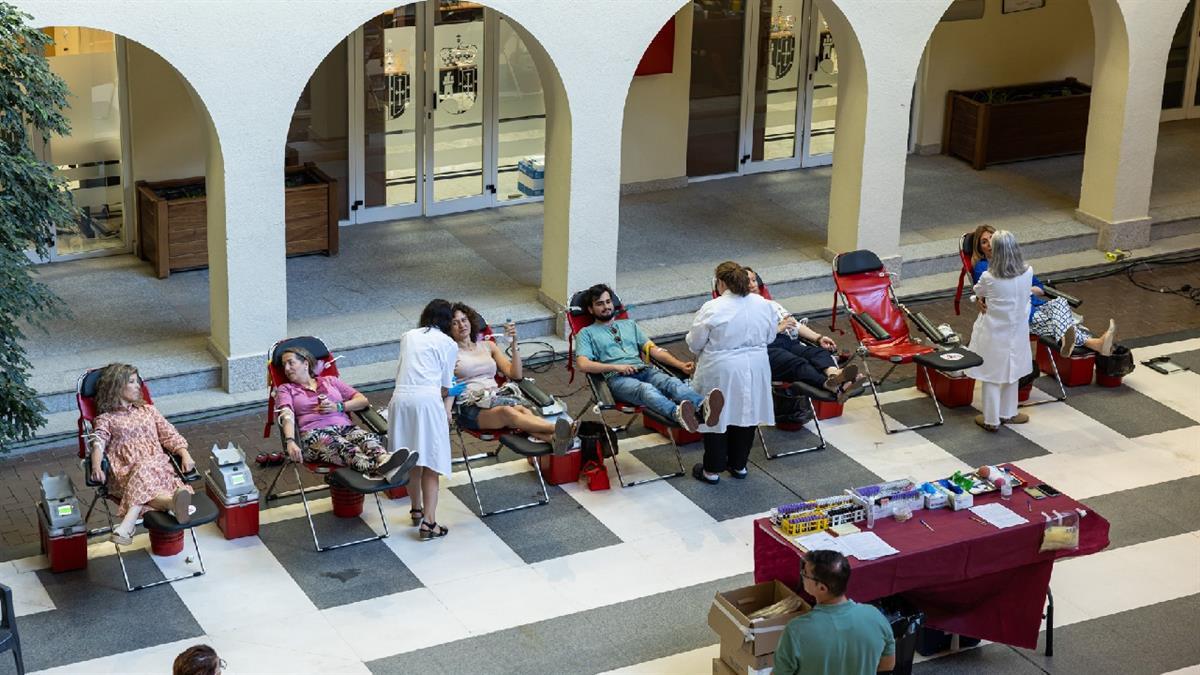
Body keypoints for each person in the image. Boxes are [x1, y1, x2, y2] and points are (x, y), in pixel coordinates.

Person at [574, 283, 724, 433]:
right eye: (599, 304)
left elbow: (653, 350)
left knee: (670, 382)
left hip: (644, 370)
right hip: (617, 378)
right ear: (590, 309)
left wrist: (680, 365)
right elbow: (583, 364)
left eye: (608, 302)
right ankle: (677, 414)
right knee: (646, 389)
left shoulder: (629, 325)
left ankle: (703, 407)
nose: (606, 306)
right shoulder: (586, 333)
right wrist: (616, 367)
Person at [85, 363, 195, 546]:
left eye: (138, 382)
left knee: (145, 466)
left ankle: (127, 527)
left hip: (158, 469)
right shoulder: (106, 419)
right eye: (132, 382)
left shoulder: (148, 411)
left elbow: (169, 434)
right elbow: (98, 443)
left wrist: (185, 454)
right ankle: (172, 503)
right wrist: (96, 466)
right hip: (124, 474)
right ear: (117, 386)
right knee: (141, 467)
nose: (139, 386)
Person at [686, 262, 775, 483]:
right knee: (747, 413)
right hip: (756, 364)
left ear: (721, 282)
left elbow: (694, 343)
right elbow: (771, 336)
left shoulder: (713, 307)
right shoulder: (763, 304)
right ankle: (739, 465)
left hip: (722, 367)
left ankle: (712, 471)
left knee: (716, 416)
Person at [969, 224, 1115, 357]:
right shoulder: (983, 268)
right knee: (1058, 323)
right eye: (984, 242)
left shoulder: (1016, 264)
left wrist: (1023, 289)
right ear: (980, 248)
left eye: (992, 238)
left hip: (1035, 305)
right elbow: (991, 292)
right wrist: (1021, 289)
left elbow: (1039, 288)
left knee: (1060, 302)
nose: (990, 244)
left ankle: (1072, 339)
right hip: (1018, 314)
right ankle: (1093, 343)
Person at [274, 346, 416, 480]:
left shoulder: (331, 381)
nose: (286, 369)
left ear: (305, 364)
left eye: (290, 363)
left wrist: (339, 407)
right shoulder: (286, 389)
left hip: (345, 428)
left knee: (368, 439)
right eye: (284, 365)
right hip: (314, 434)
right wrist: (290, 441)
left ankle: (386, 464)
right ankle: (385, 468)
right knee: (347, 448)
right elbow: (287, 415)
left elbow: (362, 400)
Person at [450, 303, 577, 452]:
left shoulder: (488, 346)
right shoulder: (449, 353)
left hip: (497, 398)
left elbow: (515, 374)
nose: (461, 325)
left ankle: (553, 439)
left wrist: (515, 341)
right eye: (455, 323)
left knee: (522, 411)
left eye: (464, 320)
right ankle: (560, 428)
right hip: (470, 408)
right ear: (449, 329)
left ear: (470, 321)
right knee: (509, 412)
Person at [388, 299, 460, 541]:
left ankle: (416, 509)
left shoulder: (408, 335)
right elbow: (446, 384)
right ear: (447, 321)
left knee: (411, 458)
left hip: (400, 400)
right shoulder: (448, 343)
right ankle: (429, 523)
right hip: (426, 402)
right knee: (431, 463)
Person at [743, 266, 863, 402]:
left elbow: (796, 324)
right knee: (796, 362)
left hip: (786, 343)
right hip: (764, 349)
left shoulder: (771, 305)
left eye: (754, 280)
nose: (752, 285)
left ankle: (835, 375)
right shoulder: (739, 311)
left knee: (818, 353)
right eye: (747, 282)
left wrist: (818, 337)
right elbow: (746, 339)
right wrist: (777, 328)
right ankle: (833, 387)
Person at [774, 550, 896, 675]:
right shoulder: (875, 616)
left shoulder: (796, 630)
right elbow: (887, 665)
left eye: (805, 574)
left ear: (822, 588)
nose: (802, 576)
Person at [966, 230, 1036, 431]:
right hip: (1018, 330)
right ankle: (1009, 412)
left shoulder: (989, 276)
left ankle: (991, 419)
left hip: (994, 332)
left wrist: (979, 299)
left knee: (992, 375)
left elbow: (978, 292)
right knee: (1012, 372)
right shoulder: (1028, 271)